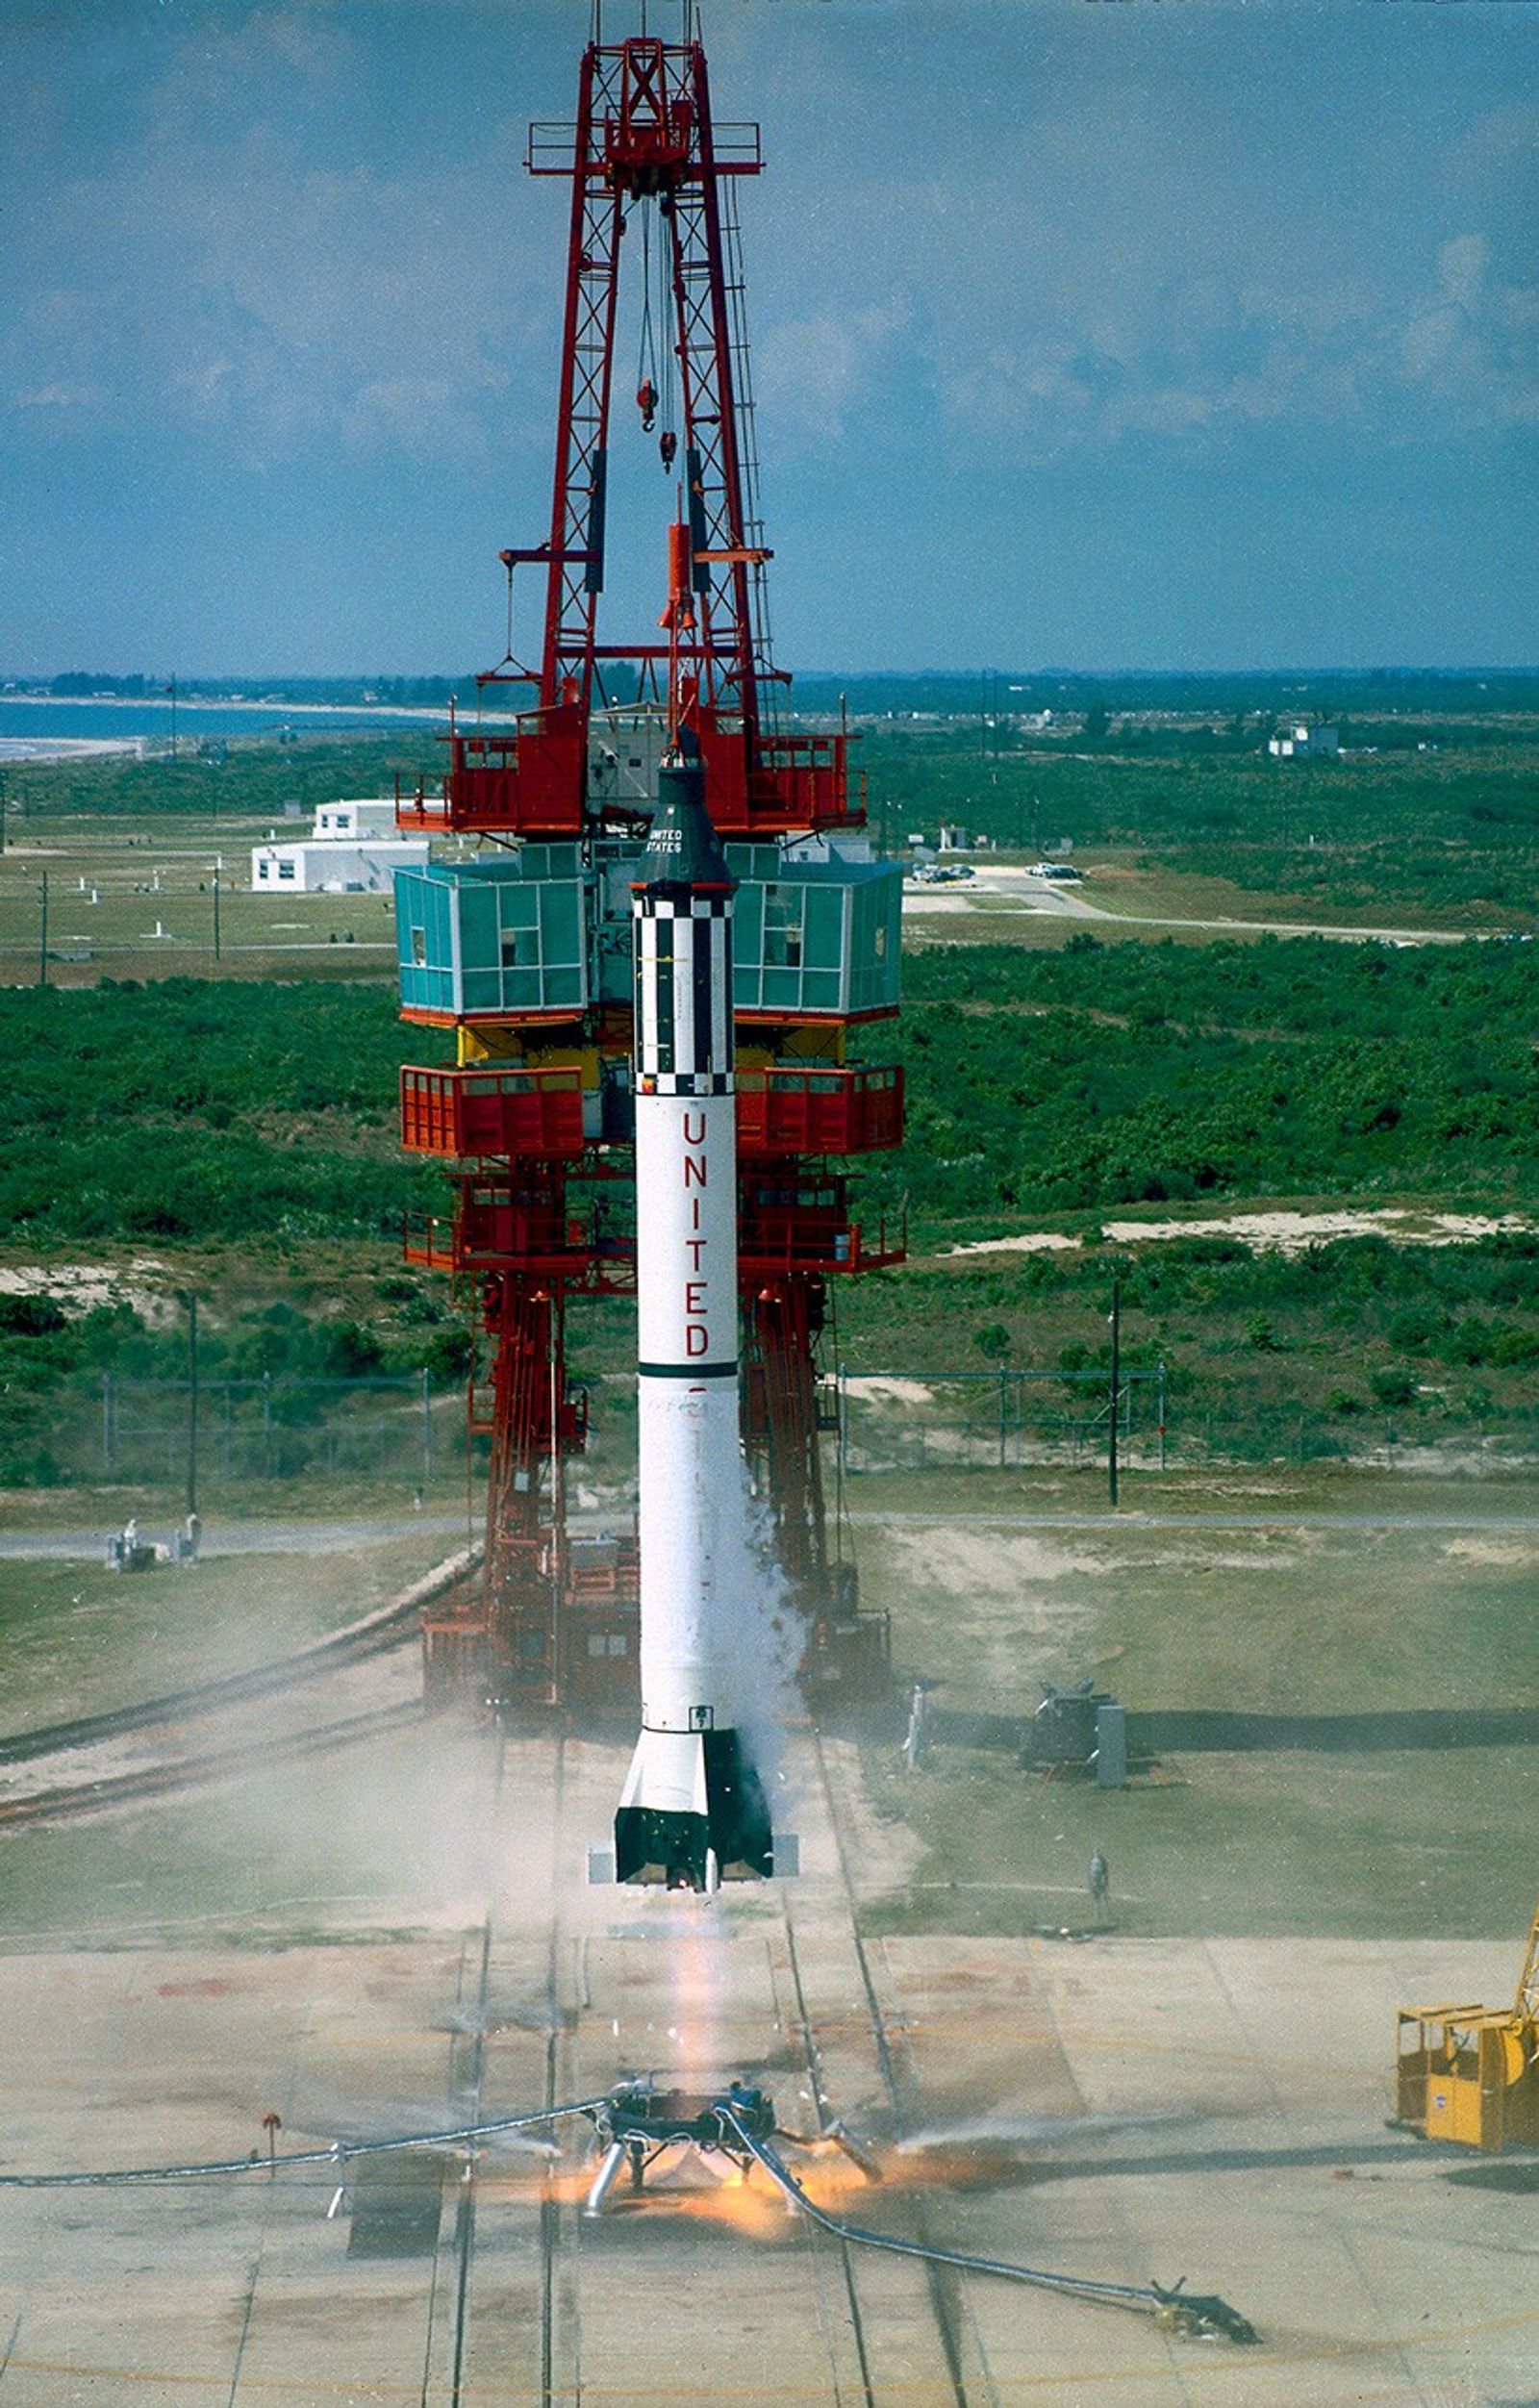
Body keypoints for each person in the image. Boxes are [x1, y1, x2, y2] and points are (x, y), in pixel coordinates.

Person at [1089, 1846, 1110, 1923]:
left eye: (1098, 1852)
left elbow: (1105, 1872)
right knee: (1096, 1899)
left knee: (1102, 1898)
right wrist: (1092, 1882)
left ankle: (1105, 1916)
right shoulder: (1093, 1861)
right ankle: (1097, 1916)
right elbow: (1091, 1873)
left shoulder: (1101, 1861)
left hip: (1100, 1881)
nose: (1097, 1853)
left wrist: (1104, 1881)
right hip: (1095, 1881)